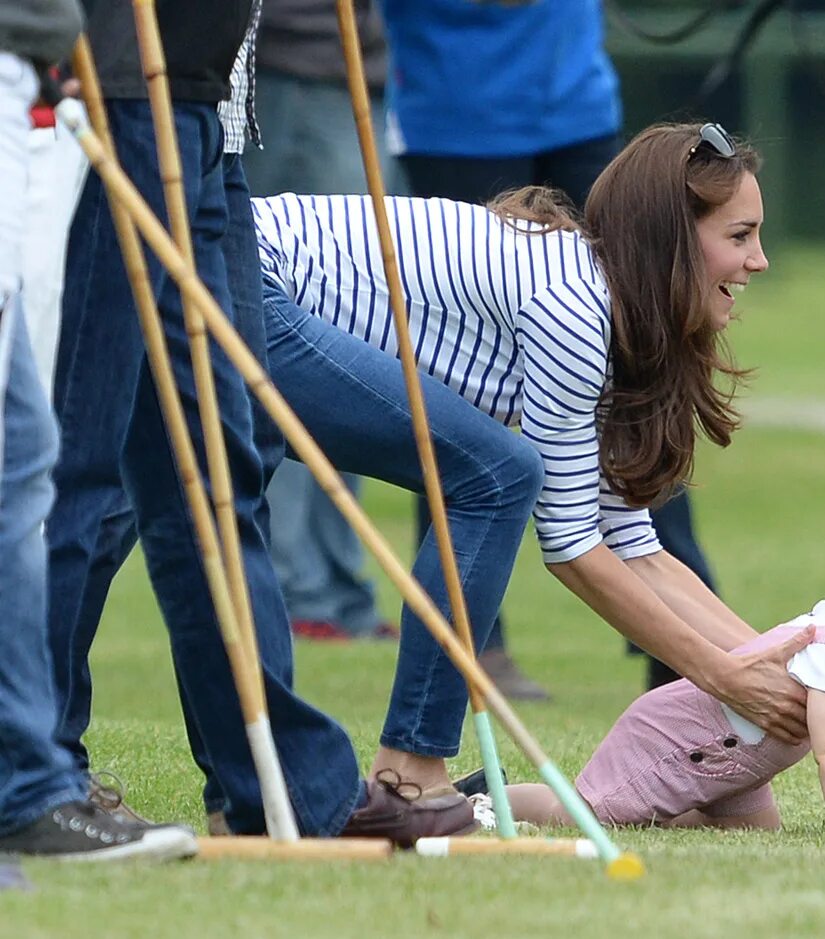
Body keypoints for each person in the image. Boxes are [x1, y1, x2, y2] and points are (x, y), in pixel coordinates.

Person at [249, 121, 812, 797]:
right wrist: (724, 677)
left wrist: (784, 661)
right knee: (497, 475)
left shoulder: (604, 307)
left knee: (121, 504)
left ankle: (392, 772)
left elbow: (633, 543)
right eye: (739, 236)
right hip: (247, 278)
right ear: (672, 240)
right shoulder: (577, 310)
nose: (760, 260)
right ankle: (409, 772)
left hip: (234, 267)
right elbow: (573, 548)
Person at [46, 1, 473, 843]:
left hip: (211, 113)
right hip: (123, 91)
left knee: (217, 467)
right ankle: (33, 768)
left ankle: (279, 784)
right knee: (81, 455)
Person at [382, 0, 724, 696]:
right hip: (458, 111)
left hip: (578, 103)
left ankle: (679, 630)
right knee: (453, 388)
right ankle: (476, 643)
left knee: (643, 360)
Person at [0, 0, 195, 862]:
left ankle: (31, 781)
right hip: (40, 94)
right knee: (32, 457)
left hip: (42, 85)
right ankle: (30, 781)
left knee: (32, 455)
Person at [503, 505, 825, 835]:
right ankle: (495, 800)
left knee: (750, 829)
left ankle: (661, 815)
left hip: (736, 766)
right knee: (587, 815)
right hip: (678, 740)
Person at [243, 0, 400, 643]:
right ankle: (298, 587)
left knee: (352, 327)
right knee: (294, 328)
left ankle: (335, 585)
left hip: (349, 69)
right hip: (290, 70)